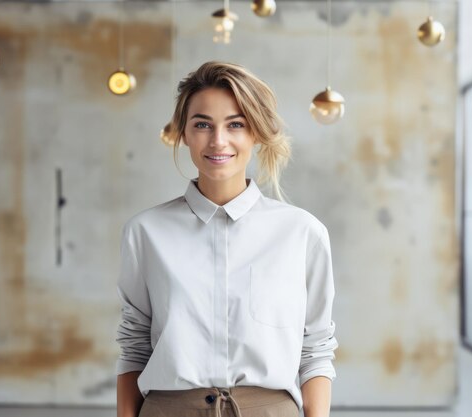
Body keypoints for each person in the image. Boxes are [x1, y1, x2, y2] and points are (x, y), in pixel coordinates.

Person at [115, 61, 338, 417]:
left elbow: (316, 349)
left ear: (256, 133)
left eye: (236, 124)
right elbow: (134, 346)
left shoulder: (302, 233)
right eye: (202, 124)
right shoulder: (145, 232)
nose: (218, 140)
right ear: (183, 133)